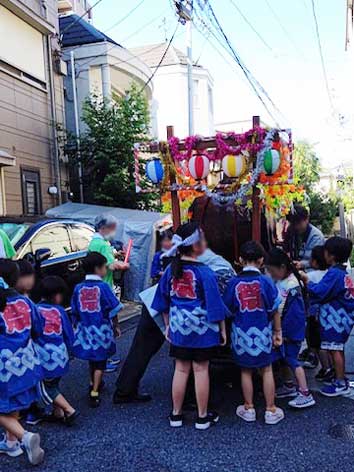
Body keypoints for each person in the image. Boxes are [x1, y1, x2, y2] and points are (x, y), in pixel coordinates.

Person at [113, 247, 235, 405]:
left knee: (141, 350)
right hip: (176, 310)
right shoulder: (223, 273)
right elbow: (216, 302)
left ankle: (124, 391)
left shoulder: (186, 259)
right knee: (190, 352)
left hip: (157, 302)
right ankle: (190, 399)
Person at [151, 223, 227, 430]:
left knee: (181, 369)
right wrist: (222, 330)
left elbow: (162, 300)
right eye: (201, 239)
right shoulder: (206, 272)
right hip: (203, 330)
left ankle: (176, 414)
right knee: (201, 370)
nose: (204, 242)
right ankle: (202, 417)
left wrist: (168, 325)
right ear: (195, 245)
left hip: (179, 329)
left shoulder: (171, 270)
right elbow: (215, 305)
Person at [223, 241, 284, 425]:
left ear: (240, 260)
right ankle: (270, 410)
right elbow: (275, 309)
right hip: (263, 332)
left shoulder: (233, 282)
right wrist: (278, 331)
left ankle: (248, 408)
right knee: (266, 369)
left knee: (245, 371)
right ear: (261, 260)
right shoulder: (266, 282)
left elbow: (227, 308)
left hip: (240, 333)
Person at [0, 259, 44, 465]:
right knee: (13, 402)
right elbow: (38, 328)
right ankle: (11, 443)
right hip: (26, 364)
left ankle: (24, 436)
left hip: (3, 366)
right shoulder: (25, 302)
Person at [71, 252, 123, 407]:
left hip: (85, 330)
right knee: (101, 362)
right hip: (102, 330)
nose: (106, 270)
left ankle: (92, 383)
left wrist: (76, 325)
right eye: (104, 267)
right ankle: (94, 391)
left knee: (92, 360)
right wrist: (116, 325)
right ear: (97, 268)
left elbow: (74, 310)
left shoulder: (78, 288)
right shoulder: (103, 287)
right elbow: (113, 308)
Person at [266, 248, 315, 409]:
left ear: (281, 267)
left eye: (272, 271)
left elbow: (295, 315)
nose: (271, 275)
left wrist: (286, 333)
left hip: (290, 332)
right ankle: (289, 386)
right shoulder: (284, 281)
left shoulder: (292, 286)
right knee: (284, 359)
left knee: (293, 360)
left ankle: (305, 393)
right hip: (285, 330)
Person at [305, 236, 354, 397]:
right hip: (343, 317)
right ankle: (340, 379)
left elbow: (320, 292)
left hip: (336, 319)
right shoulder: (342, 273)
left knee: (335, 349)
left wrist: (307, 282)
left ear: (331, 255)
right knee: (336, 348)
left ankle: (340, 381)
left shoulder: (334, 273)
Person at [88, 214, 129, 373]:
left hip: (95, 289)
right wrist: (122, 264)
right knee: (108, 324)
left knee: (100, 324)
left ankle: (101, 360)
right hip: (105, 288)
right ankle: (104, 361)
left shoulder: (95, 242)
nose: (114, 231)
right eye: (112, 228)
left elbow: (103, 260)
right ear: (103, 228)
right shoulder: (103, 245)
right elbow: (110, 266)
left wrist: (116, 255)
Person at [36, 276, 78, 425]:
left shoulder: (35, 310)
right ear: (56, 295)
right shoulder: (60, 311)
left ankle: (68, 410)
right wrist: (72, 350)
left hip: (44, 357)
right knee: (54, 384)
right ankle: (57, 412)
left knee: (47, 388)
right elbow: (69, 333)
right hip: (61, 355)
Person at [302, 246, 333, 378]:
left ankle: (326, 368)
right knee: (326, 343)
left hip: (314, 314)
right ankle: (330, 367)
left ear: (315, 261)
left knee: (316, 343)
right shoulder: (329, 274)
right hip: (328, 314)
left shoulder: (309, 276)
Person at [284, 204, 325, 271]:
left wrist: (302, 264)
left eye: (299, 223)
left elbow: (317, 261)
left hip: (312, 271)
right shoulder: (291, 230)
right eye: (293, 223)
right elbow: (286, 248)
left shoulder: (316, 237)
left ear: (307, 219)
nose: (296, 226)